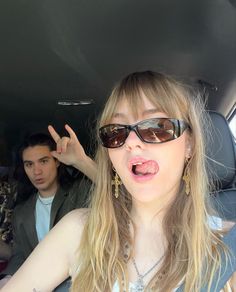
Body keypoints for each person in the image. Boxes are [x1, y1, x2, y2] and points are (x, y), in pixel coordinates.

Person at [1, 71, 235, 292]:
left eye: (156, 127)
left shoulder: (228, 248)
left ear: (190, 144)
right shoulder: (77, 231)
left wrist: (81, 162)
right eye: (116, 132)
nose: (131, 142)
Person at [0, 128, 96, 289]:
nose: (36, 171)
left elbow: (117, 190)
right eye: (29, 164)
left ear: (57, 161)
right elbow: (20, 255)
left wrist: (80, 161)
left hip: (80, 281)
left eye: (43, 161)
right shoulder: (22, 212)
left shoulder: (81, 192)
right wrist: (7, 277)